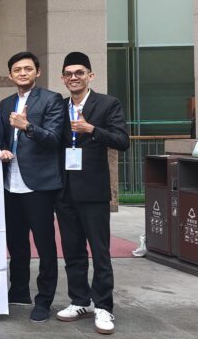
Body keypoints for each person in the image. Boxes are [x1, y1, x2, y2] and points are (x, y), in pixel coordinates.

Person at [53, 52, 130, 335]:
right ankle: (79, 300)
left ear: (90, 76)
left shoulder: (107, 104)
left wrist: (92, 129)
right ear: (63, 78)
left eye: (79, 73)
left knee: (99, 251)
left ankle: (104, 306)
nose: (74, 77)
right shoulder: (59, 106)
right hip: (65, 190)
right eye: (69, 74)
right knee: (72, 250)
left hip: (94, 189)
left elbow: (122, 140)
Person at [0, 51, 66, 322]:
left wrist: (27, 127)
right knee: (16, 242)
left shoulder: (51, 99)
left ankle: (44, 300)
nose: (22, 73)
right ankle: (19, 291)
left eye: (27, 69)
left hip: (39, 184)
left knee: (45, 244)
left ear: (38, 72)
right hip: (9, 182)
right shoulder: (5, 103)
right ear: (10, 75)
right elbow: (2, 138)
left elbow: (54, 139)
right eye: (17, 69)